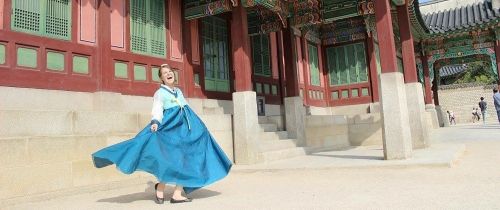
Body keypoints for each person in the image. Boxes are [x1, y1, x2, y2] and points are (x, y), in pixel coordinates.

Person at [92, 64, 232, 204]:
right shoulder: (160, 93)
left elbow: (186, 108)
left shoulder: (178, 91)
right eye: (164, 73)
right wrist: (155, 122)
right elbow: (157, 109)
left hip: (186, 129)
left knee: (186, 159)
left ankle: (177, 194)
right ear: (161, 78)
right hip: (171, 129)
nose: (168, 74)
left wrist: (199, 126)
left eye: (170, 71)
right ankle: (161, 186)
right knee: (172, 159)